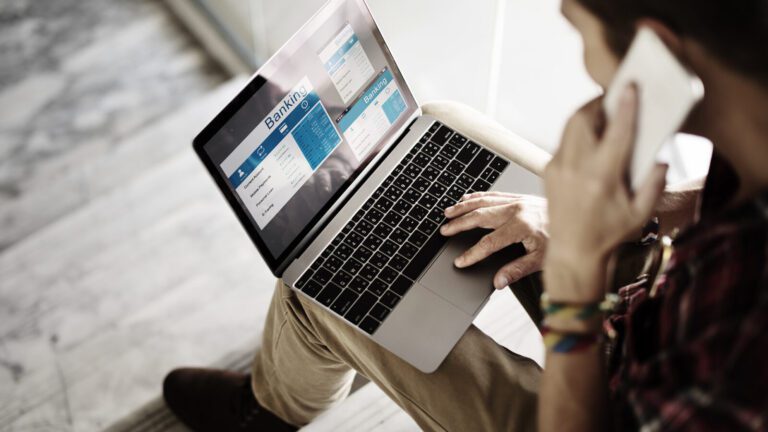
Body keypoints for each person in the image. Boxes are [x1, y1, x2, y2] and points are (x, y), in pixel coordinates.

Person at [163, 0, 768, 430]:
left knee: (321, 286)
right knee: (446, 124)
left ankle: (262, 416)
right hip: (662, 292)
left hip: (610, 403)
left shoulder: (734, 365)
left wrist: (581, 273)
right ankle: (395, 324)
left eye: (577, 30)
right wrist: (633, 214)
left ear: (655, 53)